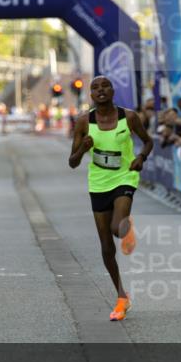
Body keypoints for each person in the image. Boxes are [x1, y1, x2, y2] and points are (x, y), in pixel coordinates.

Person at [69, 76, 153, 321]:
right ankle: (121, 297)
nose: (100, 90)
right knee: (106, 247)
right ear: (91, 95)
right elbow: (72, 162)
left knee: (117, 228)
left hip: (125, 177)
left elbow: (148, 142)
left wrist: (140, 159)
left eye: (105, 86)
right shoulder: (84, 122)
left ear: (113, 90)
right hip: (98, 183)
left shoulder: (129, 117)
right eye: (95, 88)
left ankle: (126, 228)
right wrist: (83, 149)